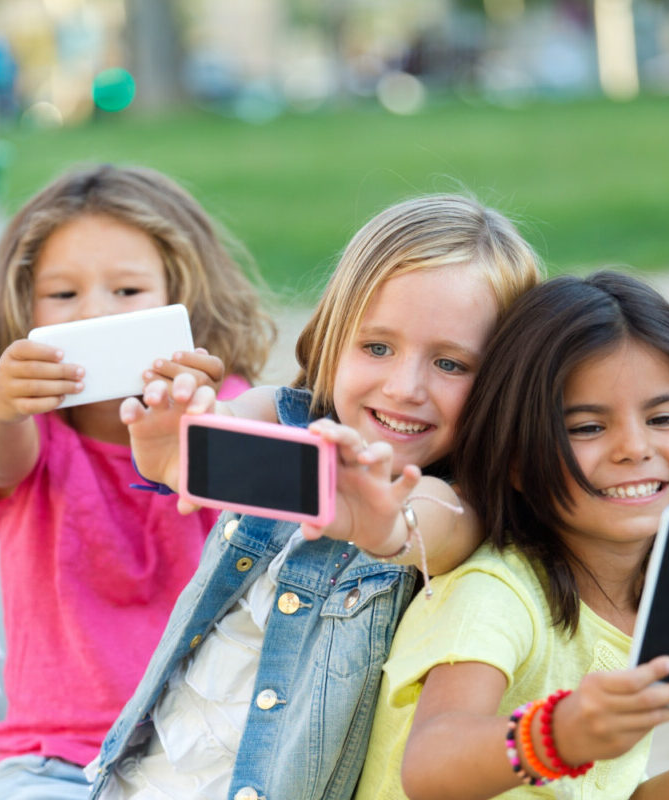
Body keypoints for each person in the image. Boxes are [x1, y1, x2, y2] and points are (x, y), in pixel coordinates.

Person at [87, 193, 544, 800]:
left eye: (451, 364)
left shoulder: (456, 499)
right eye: (376, 347)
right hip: (146, 776)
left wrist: (384, 526)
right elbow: (222, 435)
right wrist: (181, 447)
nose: (405, 387)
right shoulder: (286, 422)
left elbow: (432, 526)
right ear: (333, 338)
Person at [356, 271, 669, 800]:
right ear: (515, 458)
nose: (634, 447)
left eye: (664, 417)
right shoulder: (497, 591)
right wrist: (563, 732)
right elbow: (431, 766)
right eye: (586, 427)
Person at [0, 163, 276, 800]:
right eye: (63, 295)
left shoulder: (225, 407)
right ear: (24, 307)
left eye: (128, 291)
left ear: (179, 294)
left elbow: (272, 503)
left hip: (200, 752)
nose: (94, 315)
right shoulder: (31, 433)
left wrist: (204, 421)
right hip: (51, 758)